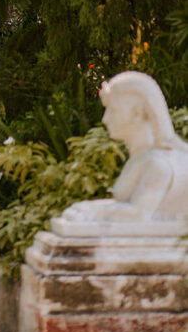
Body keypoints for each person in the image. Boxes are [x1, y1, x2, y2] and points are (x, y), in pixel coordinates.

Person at [61, 71, 188, 225]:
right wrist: (87, 208)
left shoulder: (157, 164)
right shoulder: (141, 158)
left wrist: (91, 211)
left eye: (113, 111)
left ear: (137, 113)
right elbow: (126, 205)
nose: (105, 119)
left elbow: (138, 215)